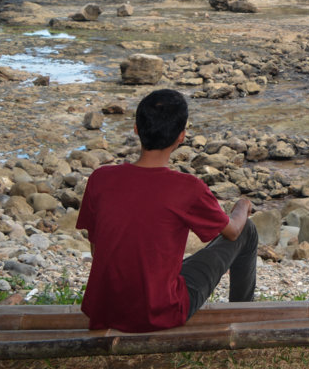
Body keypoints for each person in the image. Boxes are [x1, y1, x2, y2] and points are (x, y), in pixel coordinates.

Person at [76, 88, 256, 332]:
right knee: (248, 230)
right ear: (181, 137)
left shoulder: (100, 179)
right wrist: (242, 205)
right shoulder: (187, 187)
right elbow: (232, 232)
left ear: (137, 129)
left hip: (105, 307)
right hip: (159, 311)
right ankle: (244, 316)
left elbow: (97, 245)